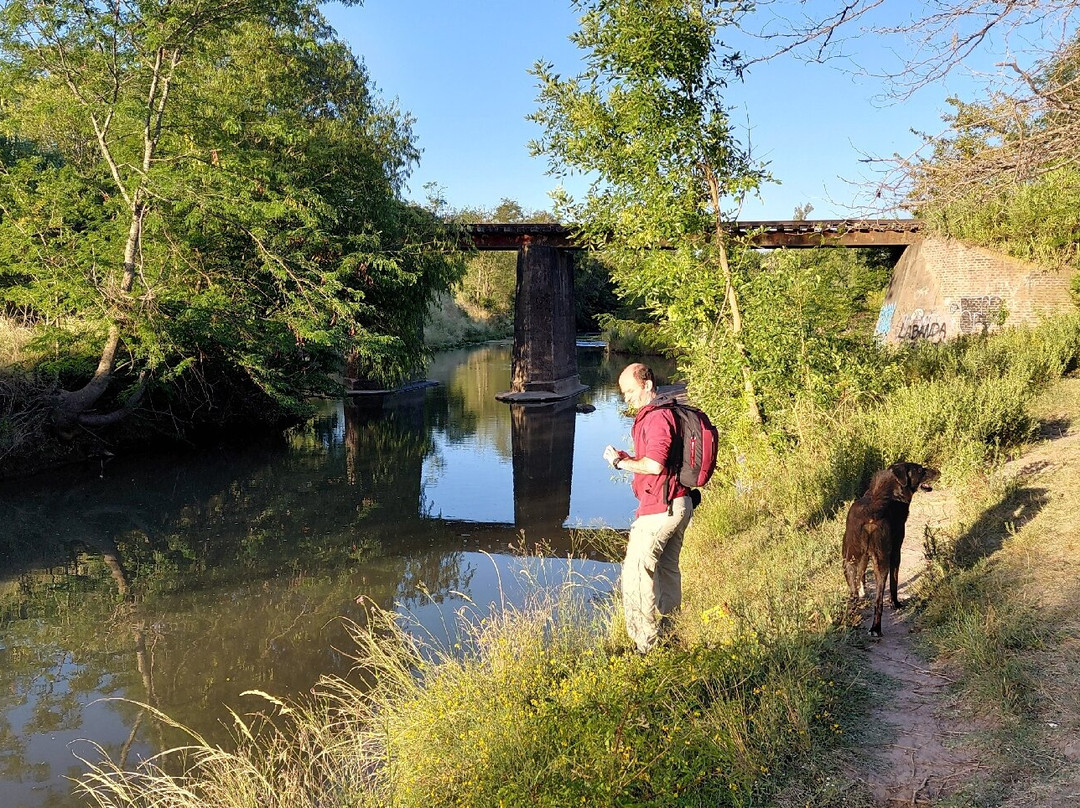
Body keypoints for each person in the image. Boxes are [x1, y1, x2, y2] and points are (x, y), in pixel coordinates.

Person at [603, 362, 693, 654]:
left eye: (629, 391)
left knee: (635, 574)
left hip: (660, 508)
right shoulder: (666, 411)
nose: (626, 398)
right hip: (678, 502)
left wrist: (620, 462)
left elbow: (654, 465)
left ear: (647, 384)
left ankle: (646, 645)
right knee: (667, 570)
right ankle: (672, 633)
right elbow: (660, 461)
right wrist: (629, 457)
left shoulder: (656, 418)